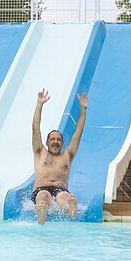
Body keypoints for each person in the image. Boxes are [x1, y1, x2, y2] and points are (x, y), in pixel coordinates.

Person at [31, 89, 89, 224]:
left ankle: (70, 207)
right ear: (47, 142)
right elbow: (35, 128)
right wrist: (39, 105)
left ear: (62, 143)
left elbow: (78, 133)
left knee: (64, 197)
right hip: (41, 188)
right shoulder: (40, 152)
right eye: (52, 139)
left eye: (58, 140)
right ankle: (41, 211)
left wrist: (83, 110)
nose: (55, 142)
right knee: (43, 197)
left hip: (60, 189)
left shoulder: (67, 155)